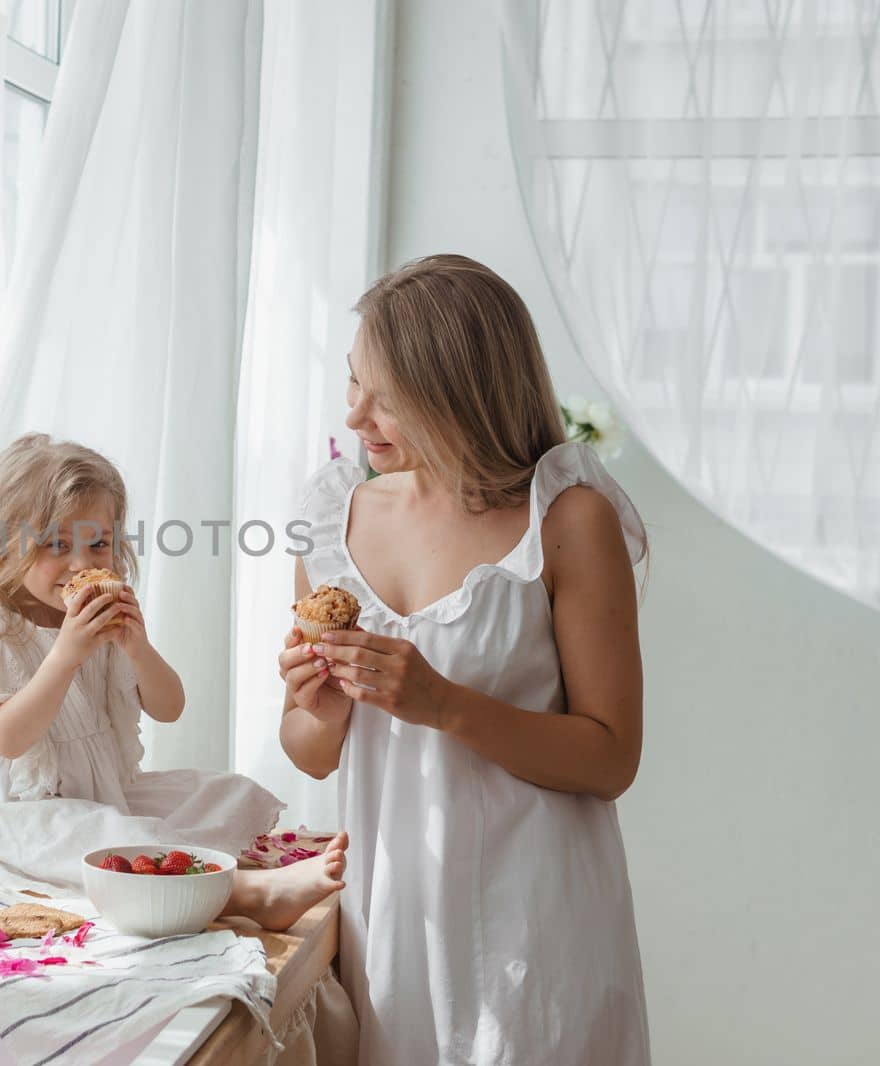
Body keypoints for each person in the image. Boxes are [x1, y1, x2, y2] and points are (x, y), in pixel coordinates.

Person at [279, 254, 651, 1064]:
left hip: (535, 920)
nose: (356, 417)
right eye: (353, 384)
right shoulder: (331, 518)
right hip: (392, 917)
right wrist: (318, 705)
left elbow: (612, 756)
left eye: (388, 398)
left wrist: (442, 704)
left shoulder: (567, 519)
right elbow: (309, 754)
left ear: (457, 394)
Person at [0, 432, 345, 929]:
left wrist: (137, 647)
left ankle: (202, 867)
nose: (82, 564)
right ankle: (249, 894)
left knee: (219, 792)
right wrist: (65, 655)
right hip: (14, 815)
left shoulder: (102, 624)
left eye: (98, 543)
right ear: (0, 552)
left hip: (104, 793)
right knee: (102, 836)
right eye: (57, 545)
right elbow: (9, 739)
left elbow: (169, 706)